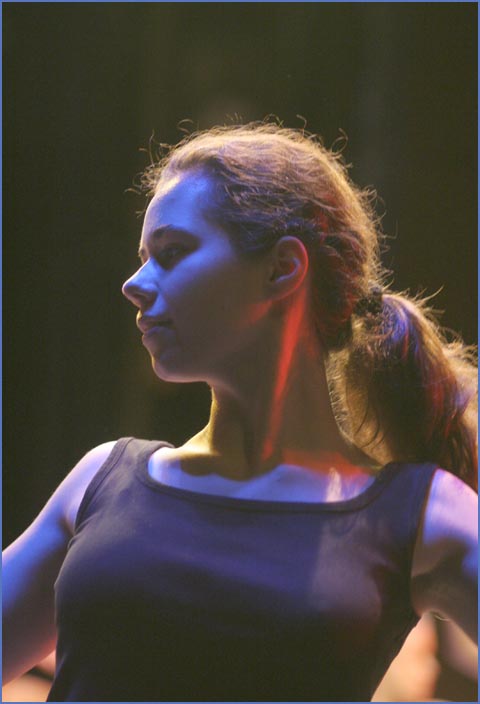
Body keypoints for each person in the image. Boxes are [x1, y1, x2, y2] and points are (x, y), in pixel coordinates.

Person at [3, 122, 478, 702]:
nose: (133, 283)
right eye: (143, 257)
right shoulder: (101, 483)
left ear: (283, 268)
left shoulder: (419, 514)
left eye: (171, 253)